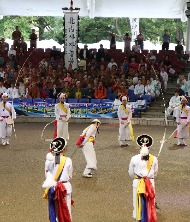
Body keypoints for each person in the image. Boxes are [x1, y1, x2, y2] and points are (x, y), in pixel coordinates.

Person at [128, 134, 158, 222]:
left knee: (137, 202)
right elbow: (155, 173)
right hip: (150, 182)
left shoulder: (134, 158)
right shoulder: (154, 159)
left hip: (137, 182)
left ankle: (138, 218)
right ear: (150, 146)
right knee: (150, 201)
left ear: (139, 146)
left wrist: (137, 178)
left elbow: (130, 173)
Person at [42, 137, 73, 222]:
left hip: (52, 186)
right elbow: (70, 175)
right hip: (65, 187)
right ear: (64, 149)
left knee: (54, 210)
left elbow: (46, 174)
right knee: (66, 209)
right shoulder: (68, 160)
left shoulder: (47, 161)